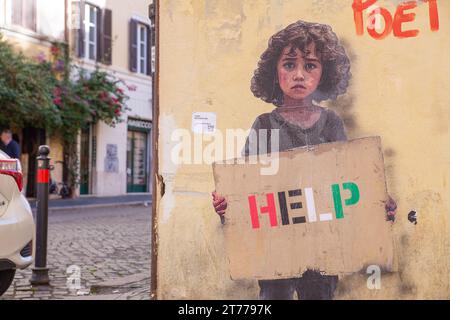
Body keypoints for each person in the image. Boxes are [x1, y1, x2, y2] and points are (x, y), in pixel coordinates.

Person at [211, 20, 397, 300]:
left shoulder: (331, 123)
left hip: (324, 247)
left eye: (310, 65)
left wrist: (376, 204)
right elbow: (244, 184)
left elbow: (349, 178)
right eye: (289, 64)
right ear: (275, 71)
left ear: (325, 73)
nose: (299, 74)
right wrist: (227, 203)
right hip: (274, 248)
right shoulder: (264, 125)